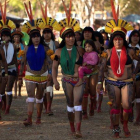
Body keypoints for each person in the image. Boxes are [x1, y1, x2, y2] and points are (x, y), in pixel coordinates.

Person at [96, 12, 140, 137]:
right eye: (115, 39)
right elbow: (101, 68)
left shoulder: (131, 51)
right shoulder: (108, 52)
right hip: (112, 82)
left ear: (124, 39)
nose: (118, 41)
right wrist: (99, 82)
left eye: (120, 39)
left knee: (126, 105)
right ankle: (116, 128)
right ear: (112, 40)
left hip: (127, 82)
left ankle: (125, 124)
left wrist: (135, 72)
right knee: (115, 106)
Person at [52, 0, 85, 137]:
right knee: (70, 103)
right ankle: (71, 126)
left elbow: (90, 61)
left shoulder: (81, 50)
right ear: (64, 38)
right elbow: (54, 67)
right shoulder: (58, 52)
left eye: (72, 36)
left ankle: (78, 130)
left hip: (79, 80)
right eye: (68, 37)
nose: (71, 38)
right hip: (66, 80)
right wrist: (55, 81)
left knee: (77, 102)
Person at [19, 1, 52, 126]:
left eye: (38, 36)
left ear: (40, 37)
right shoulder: (26, 49)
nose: (36, 38)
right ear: (31, 38)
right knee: (31, 96)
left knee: (39, 97)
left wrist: (49, 74)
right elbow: (23, 62)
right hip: (30, 75)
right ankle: (29, 118)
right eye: (34, 36)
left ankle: (38, 117)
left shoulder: (45, 48)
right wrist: (20, 77)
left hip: (43, 75)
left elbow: (49, 62)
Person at [39, 2, 59, 115]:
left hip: (52, 69)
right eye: (44, 33)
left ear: (51, 34)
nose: (46, 35)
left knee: (49, 88)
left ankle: (48, 108)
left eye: (48, 33)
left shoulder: (55, 43)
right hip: (40, 69)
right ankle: (44, 106)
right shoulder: (40, 44)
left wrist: (52, 70)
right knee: (42, 90)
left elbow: (58, 58)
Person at [0, 1, 17, 115]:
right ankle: (4, 104)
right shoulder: (0, 46)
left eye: (6, 35)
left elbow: (15, 59)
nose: (5, 37)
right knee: (1, 90)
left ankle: (8, 108)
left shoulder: (14, 46)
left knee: (8, 88)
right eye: (3, 35)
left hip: (12, 69)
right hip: (2, 69)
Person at [80, 26, 101, 119]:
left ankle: (92, 105)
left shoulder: (96, 43)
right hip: (84, 72)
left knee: (92, 90)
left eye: (89, 32)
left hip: (93, 71)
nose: (87, 34)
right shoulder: (79, 44)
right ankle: (84, 111)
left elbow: (98, 58)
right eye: (85, 32)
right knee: (85, 90)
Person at [128, 30, 140, 124]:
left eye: (137, 36)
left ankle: (138, 118)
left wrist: (135, 73)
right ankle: (130, 114)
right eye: (133, 36)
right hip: (127, 74)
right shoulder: (126, 48)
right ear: (130, 37)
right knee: (130, 96)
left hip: (139, 74)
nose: (135, 37)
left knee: (138, 95)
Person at [12, 27, 25, 98]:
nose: (17, 39)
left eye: (18, 37)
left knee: (20, 80)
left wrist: (21, 60)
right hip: (14, 63)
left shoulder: (22, 45)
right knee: (15, 79)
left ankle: (19, 91)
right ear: (13, 38)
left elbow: (24, 54)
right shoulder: (12, 45)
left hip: (21, 63)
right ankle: (15, 93)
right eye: (15, 37)